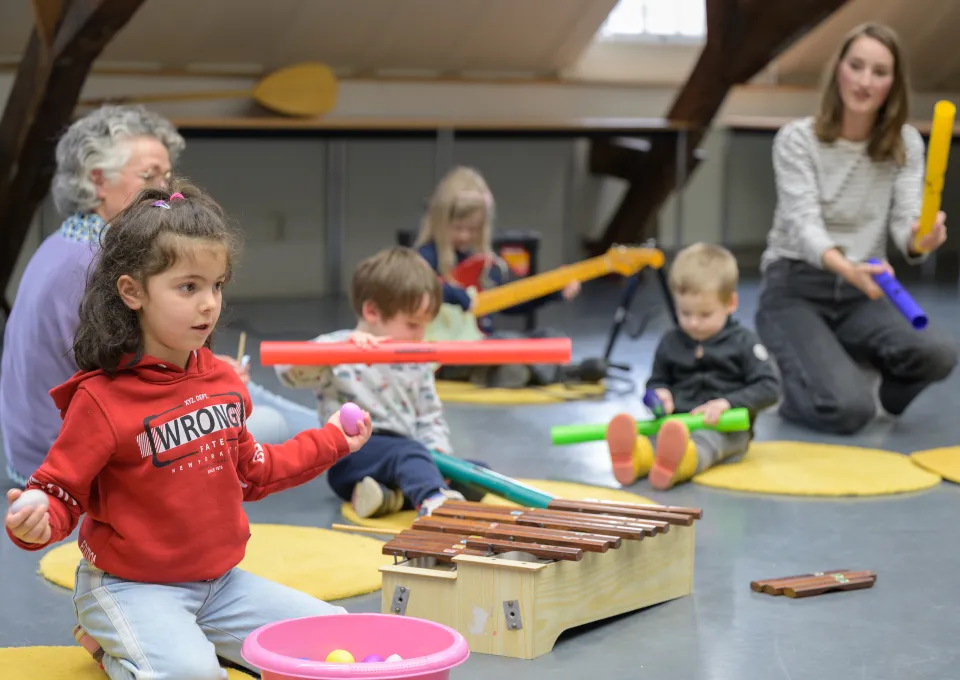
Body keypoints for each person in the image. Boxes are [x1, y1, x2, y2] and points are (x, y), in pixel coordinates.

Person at [4, 183, 372, 679]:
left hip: (219, 586)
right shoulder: (100, 399)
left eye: (217, 285)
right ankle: (113, 643)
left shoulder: (219, 380)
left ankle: (179, 641)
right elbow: (60, 493)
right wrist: (37, 518)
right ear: (132, 292)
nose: (209, 304)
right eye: (188, 287)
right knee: (195, 677)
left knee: (336, 638)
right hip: (128, 587)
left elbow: (254, 472)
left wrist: (333, 440)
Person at [0, 104, 290, 487]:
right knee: (271, 422)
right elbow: (128, 379)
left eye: (167, 175)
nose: (164, 189)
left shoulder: (65, 240)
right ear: (98, 181)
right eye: (148, 175)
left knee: (240, 390)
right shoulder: (101, 260)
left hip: (28, 450)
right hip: (69, 463)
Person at [754, 22, 956, 435]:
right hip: (795, 285)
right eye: (856, 66)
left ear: (893, 85)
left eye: (879, 72)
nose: (865, 81)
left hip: (861, 290)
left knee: (939, 354)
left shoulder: (905, 143)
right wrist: (847, 268)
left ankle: (840, 366)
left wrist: (923, 239)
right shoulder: (797, 139)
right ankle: (787, 379)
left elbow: (906, 227)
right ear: (839, 70)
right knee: (848, 411)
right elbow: (805, 226)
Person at [275, 246, 473, 518]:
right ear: (372, 312)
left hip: (407, 455)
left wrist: (439, 455)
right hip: (351, 458)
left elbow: (430, 416)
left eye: (425, 325)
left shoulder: (416, 359)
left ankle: (387, 497)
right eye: (413, 324)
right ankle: (432, 499)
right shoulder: (338, 348)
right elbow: (286, 370)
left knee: (471, 471)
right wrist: (341, 350)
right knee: (410, 455)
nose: (420, 334)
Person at [606, 243, 780, 490]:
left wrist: (728, 403)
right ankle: (635, 460)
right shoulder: (670, 341)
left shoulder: (744, 343)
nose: (693, 323)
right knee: (652, 439)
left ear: (730, 303)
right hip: (676, 423)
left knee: (705, 442)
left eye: (705, 314)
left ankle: (681, 463)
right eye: (684, 313)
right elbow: (655, 381)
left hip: (723, 426)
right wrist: (658, 396)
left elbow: (770, 387)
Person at [414, 165, 582, 388]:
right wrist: (457, 295)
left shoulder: (484, 264)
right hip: (446, 354)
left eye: (473, 229)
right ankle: (547, 371)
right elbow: (418, 287)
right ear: (439, 221)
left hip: (483, 344)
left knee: (551, 338)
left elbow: (510, 302)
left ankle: (516, 370)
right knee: (508, 342)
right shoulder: (424, 259)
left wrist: (553, 292)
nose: (465, 235)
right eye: (457, 228)